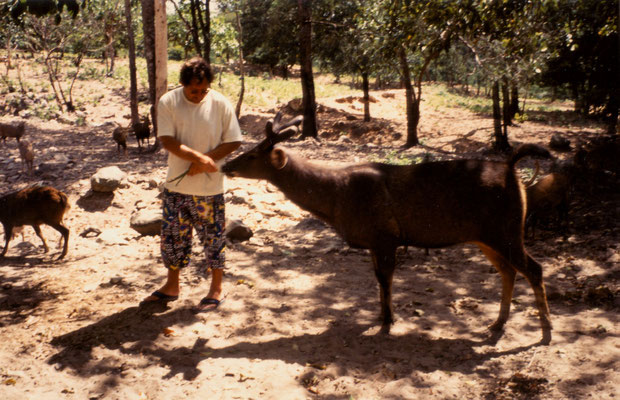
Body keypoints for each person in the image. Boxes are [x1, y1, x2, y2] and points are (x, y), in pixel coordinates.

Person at [141, 57, 242, 312]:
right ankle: (171, 286)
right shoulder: (169, 102)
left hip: (210, 189)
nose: (198, 96)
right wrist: (197, 157)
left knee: (213, 239)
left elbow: (234, 140)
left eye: (203, 90)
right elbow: (167, 140)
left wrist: (208, 160)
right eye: (193, 91)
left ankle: (216, 288)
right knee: (174, 239)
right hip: (177, 187)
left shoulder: (219, 102)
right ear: (183, 85)